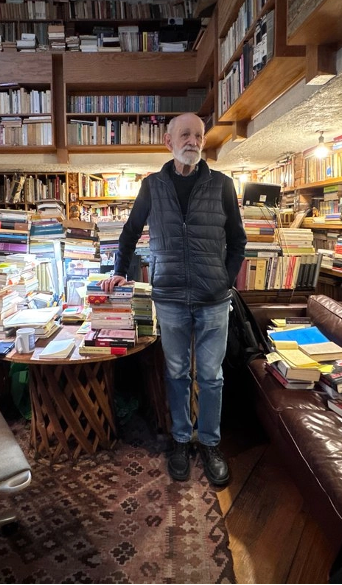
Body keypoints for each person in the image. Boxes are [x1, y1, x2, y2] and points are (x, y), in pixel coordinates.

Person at [100, 113, 247, 486]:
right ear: (168, 142)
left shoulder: (223, 186)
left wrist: (225, 279)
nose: (194, 141)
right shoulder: (152, 186)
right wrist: (121, 269)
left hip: (213, 300)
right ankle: (182, 440)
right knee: (178, 374)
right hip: (169, 299)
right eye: (186, 135)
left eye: (199, 135)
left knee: (211, 377)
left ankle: (210, 443)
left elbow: (238, 240)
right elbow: (130, 233)